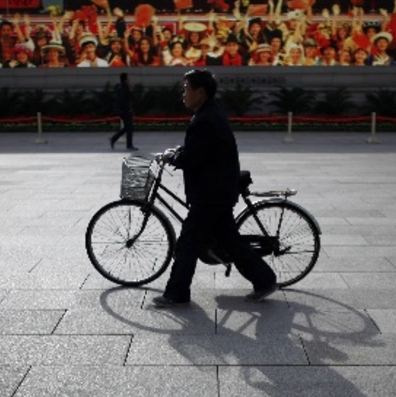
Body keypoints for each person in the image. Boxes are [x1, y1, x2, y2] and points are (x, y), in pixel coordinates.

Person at [152, 69, 278, 308]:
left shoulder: (206, 119)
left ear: (200, 92)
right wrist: (179, 151)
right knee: (231, 242)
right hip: (217, 190)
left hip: (211, 194)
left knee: (187, 243)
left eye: (187, 88)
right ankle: (265, 280)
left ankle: (177, 293)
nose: (184, 94)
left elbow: (193, 158)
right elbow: (199, 149)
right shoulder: (208, 114)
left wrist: (174, 159)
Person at [109, 72, 137, 151]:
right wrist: (127, 109)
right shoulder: (121, 88)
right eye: (128, 78)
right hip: (124, 111)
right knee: (129, 128)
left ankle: (114, 139)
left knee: (127, 128)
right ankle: (129, 145)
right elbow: (122, 101)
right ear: (125, 79)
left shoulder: (124, 87)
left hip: (125, 110)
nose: (129, 79)